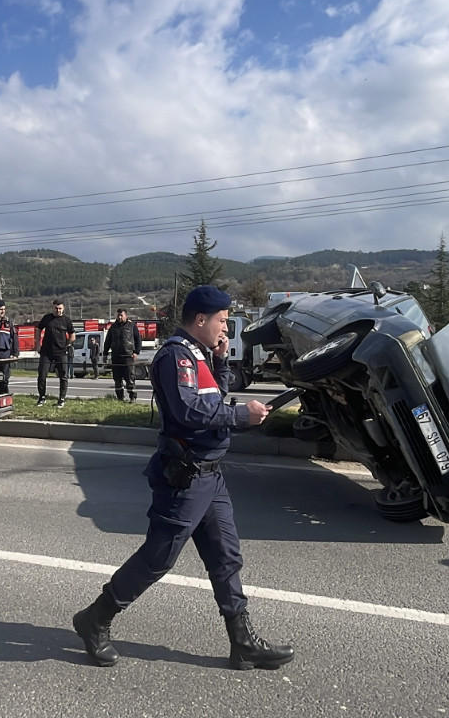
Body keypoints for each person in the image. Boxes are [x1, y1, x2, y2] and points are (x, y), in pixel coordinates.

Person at [71, 285, 294, 671]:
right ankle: (95, 618)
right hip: (185, 478)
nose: (226, 329)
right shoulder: (176, 355)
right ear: (201, 319)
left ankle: (242, 643)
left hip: (211, 477)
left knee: (226, 557)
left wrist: (221, 363)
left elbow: (213, 399)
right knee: (158, 558)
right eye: (222, 322)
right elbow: (190, 411)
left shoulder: (200, 355)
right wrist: (242, 416)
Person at [35, 299, 75, 408]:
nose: (58, 310)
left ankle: (61, 399)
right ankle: (42, 397)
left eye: (60, 308)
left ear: (63, 309)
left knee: (63, 376)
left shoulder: (66, 320)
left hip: (61, 352)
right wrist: (37, 344)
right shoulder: (47, 318)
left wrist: (66, 344)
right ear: (52, 308)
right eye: (56, 308)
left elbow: (72, 336)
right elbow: (38, 329)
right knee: (42, 375)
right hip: (46, 352)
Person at [102, 308, 143, 402]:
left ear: (126, 316)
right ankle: (120, 397)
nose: (120, 317)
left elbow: (138, 340)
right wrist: (105, 354)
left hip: (128, 356)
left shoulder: (132, 326)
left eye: (122, 315)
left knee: (130, 378)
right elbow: (108, 341)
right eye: (118, 316)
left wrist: (136, 352)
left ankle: (132, 397)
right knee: (117, 379)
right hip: (116, 357)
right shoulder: (113, 327)